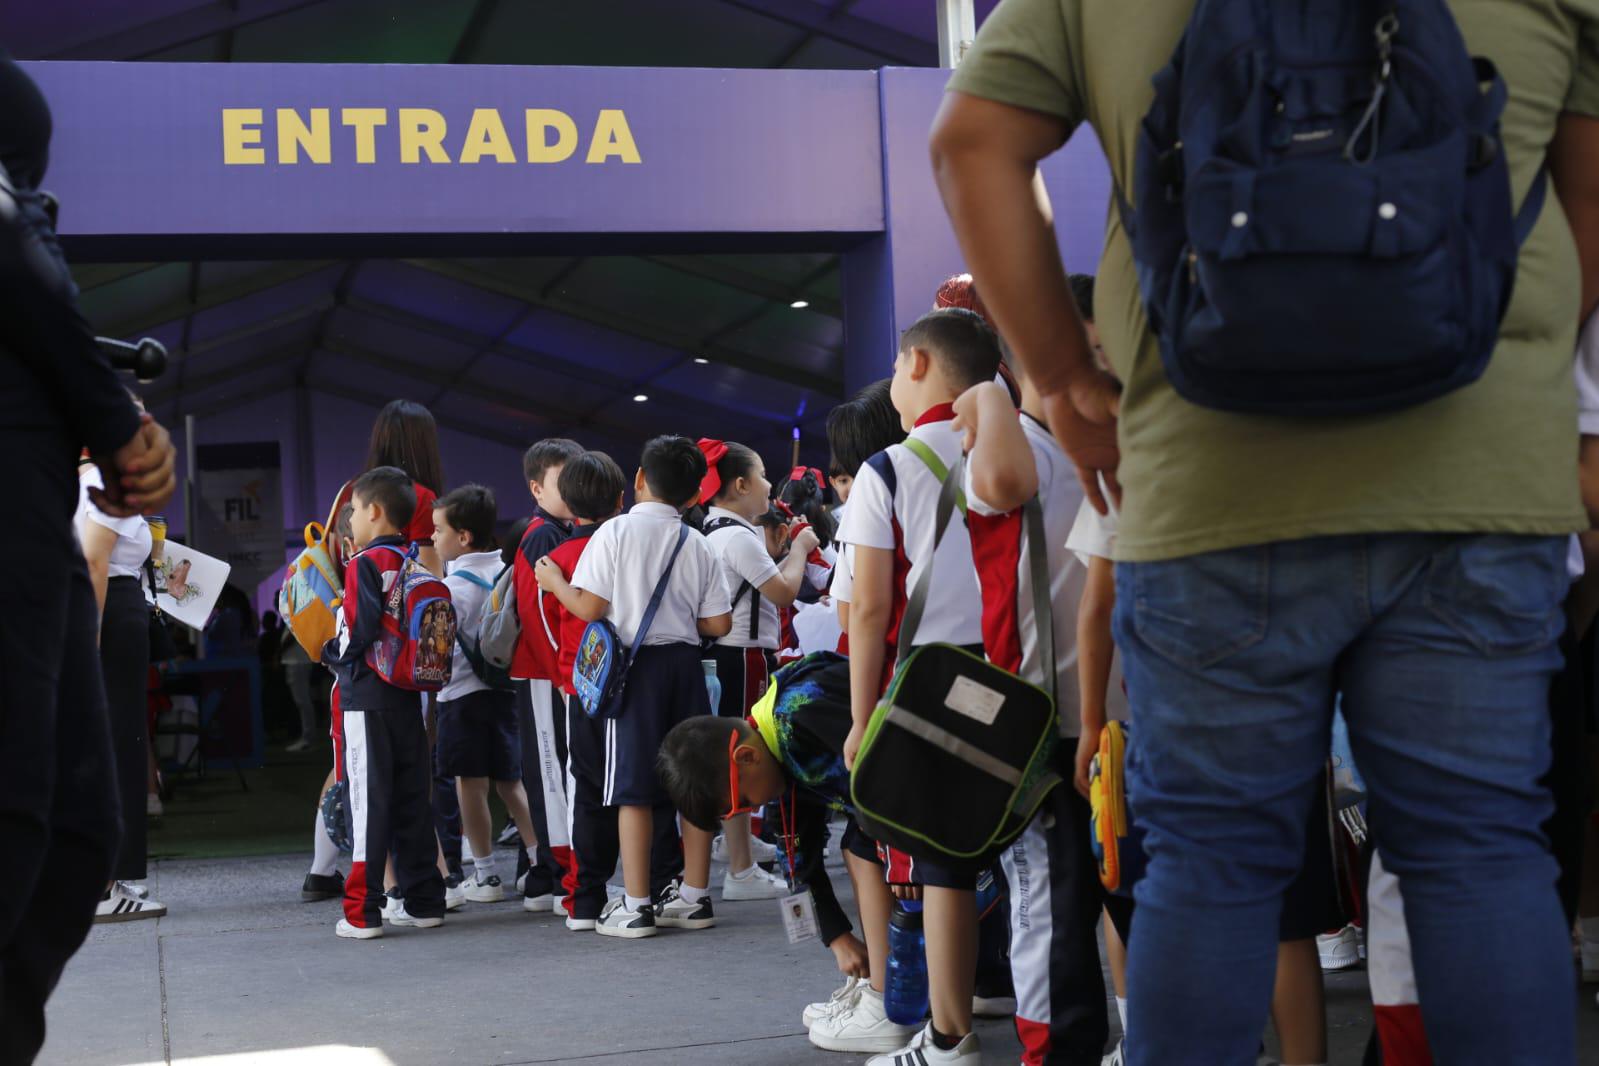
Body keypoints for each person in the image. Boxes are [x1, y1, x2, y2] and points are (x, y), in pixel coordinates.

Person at [931, 4, 1599, 1061]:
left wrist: (1059, 377)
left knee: (1208, 866)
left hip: (1207, 485)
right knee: (1479, 854)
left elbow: (973, 141)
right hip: (1471, 487)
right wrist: (1510, 360)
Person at [0, 50, 178, 1065]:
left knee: (72, 833)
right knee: (21, 821)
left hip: (36, 527)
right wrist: (105, 415)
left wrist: (85, 419)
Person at [823, 308, 1001, 1061]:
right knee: (1041, 863)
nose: (892, 383)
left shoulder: (889, 468)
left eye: (897, 368)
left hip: (930, 684)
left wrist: (861, 718)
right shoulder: (1030, 453)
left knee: (942, 862)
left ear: (921, 365)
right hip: (1014, 675)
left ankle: (947, 1031)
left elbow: (866, 607)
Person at [951, 362, 1133, 1065]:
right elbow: (1000, 485)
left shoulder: (1116, 451)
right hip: (1043, 728)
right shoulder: (1011, 444)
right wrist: (988, 395)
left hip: (1126, 721)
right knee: (1050, 913)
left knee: (1133, 904)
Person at [535, 436, 732, 939]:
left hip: (635, 670)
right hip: (685, 667)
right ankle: (694, 896)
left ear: (640, 480)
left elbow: (590, 608)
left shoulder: (616, 533)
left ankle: (637, 905)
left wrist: (556, 584)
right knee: (690, 779)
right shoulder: (699, 541)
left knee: (633, 789)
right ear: (693, 496)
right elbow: (719, 624)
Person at [658, 653, 890, 1029]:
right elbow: (796, 851)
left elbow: (893, 767)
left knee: (861, 847)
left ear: (746, 757)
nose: (755, 808)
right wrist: (836, 936)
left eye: (744, 802)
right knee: (859, 843)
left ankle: (886, 1002)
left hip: (941, 803)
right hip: (911, 824)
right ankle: (898, 986)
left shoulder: (799, 716)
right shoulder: (776, 745)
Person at [325, 468, 447, 940]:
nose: (350, 520)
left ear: (373, 512)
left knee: (366, 802)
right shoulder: (414, 559)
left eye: (353, 511)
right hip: (408, 698)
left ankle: (362, 911)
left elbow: (361, 628)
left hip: (366, 698)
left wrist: (333, 655)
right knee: (413, 801)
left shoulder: (363, 564)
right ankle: (425, 901)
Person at [699, 438, 818, 901]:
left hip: (726, 656)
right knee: (742, 753)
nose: (771, 485)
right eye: (764, 474)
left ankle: (741, 850)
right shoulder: (737, 537)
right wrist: (803, 548)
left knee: (733, 750)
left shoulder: (712, 531)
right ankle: (741, 870)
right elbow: (785, 592)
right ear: (742, 484)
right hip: (743, 654)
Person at [534, 450, 650, 928]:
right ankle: (655, 885)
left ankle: (585, 899)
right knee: (642, 787)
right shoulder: (635, 547)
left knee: (587, 792)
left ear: (567, 503)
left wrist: (565, 683)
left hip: (581, 693)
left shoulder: (554, 561)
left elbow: (545, 633)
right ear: (621, 498)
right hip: (637, 684)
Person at [431, 484, 540, 904]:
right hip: (504, 692)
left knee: (468, 785)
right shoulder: (504, 567)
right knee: (511, 782)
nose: (434, 540)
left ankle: (485, 874)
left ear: (463, 536)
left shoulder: (451, 587)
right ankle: (540, 859)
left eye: (439, 531)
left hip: (460, 697)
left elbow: (437, 651)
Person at [78, 442, 167, 924]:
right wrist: (89, 642)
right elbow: (95, 561)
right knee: (116, 746)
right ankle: (105, 883)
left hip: (103, 610)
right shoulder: (101, 483)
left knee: (107, 744)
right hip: (108, 613)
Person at [511, 438, 584, 912]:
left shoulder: (556, 529)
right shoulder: (543, 534)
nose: (576, 488)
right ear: (537, 489)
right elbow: (538, 613)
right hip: (543, 673)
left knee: (553, 771)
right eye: (565, 480)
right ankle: (561, 879)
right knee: (553, 774)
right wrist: (563, 675)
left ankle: (548, 874)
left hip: (548, 671)